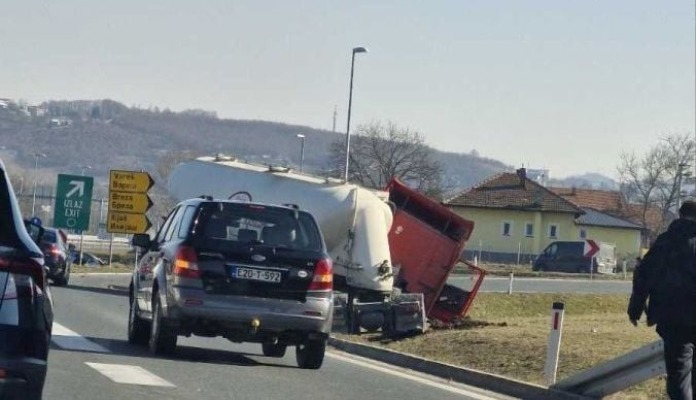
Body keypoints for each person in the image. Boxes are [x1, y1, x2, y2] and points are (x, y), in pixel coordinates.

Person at [628, 199, 696, 400]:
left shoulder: (665, 242)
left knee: (679, 375)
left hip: (673, 317)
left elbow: (644, 276)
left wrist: (635, 308)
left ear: (680, 215)